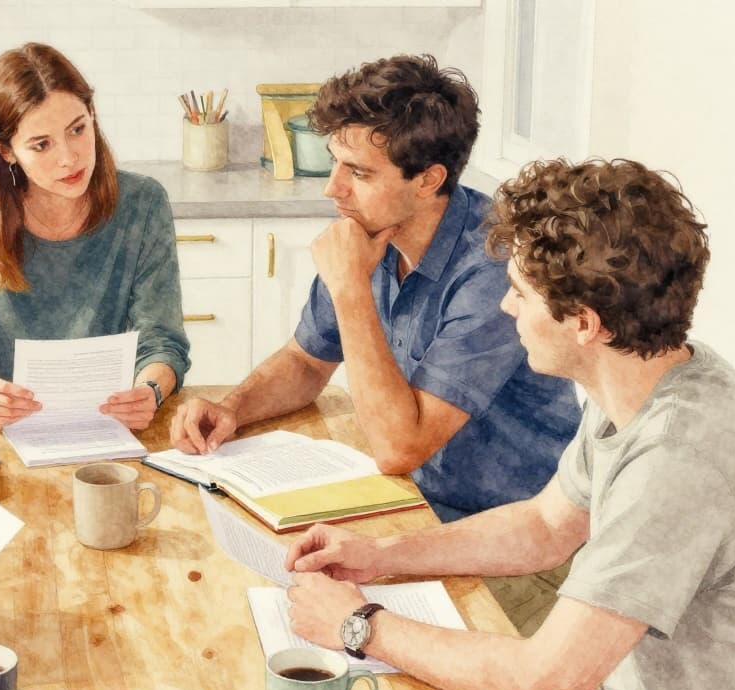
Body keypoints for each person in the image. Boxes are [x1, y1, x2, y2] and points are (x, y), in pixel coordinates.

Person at [284, 158, 735, 690]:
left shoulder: (678, 459)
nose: (507, 309)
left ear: (584, 324)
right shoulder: (645, 381)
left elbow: (541, 686)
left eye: (520, 293)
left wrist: (359, 625)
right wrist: (380, 557)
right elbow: (546, 527)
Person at [170, 55, 580, 524]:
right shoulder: (370, 228)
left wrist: (349, 289)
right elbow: (307, 362)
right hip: (412, 503)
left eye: (359, 173)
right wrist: (231, 409)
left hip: (511, 531)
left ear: (428, 180)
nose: (333, 189)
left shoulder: (493, 271)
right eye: (335, 165)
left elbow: (398, 448)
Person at [0, 42, 191, 430]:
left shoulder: (143, 204)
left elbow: (162, 340)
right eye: (41, 144)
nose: (69, 157)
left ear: (93, 115)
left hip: (107, 427)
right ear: (6, 151)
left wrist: (149, 390)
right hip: (1, 432)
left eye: (77, 129)